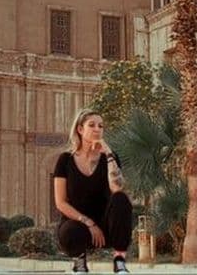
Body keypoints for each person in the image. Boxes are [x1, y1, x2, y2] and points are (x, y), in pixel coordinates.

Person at [54, 108, 132, 273]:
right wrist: (89, 223)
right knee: (70, 231)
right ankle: (80, 260)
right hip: (77, 224)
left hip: (106, 225)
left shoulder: (110, 157)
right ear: (80, 129)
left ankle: (119, 260)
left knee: (121, 199)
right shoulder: (65, 160)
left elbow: (117, 188)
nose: (98, 129)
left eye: (101, 126)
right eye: (92, 125)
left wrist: (109, 154)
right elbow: (60, 202)